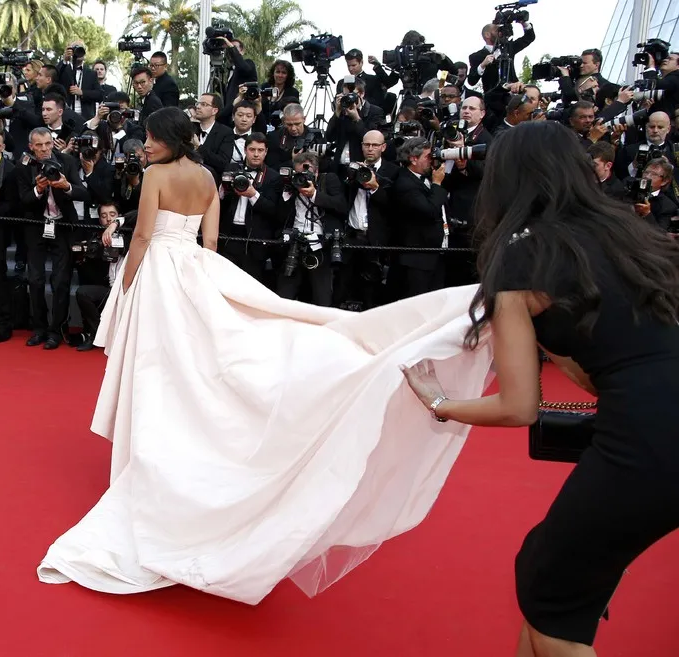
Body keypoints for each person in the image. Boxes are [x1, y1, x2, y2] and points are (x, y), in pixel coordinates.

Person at [36, 107, 496, 605]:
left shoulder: (155, 175)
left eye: (149, 137)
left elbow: (143, 236)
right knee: (194, 362)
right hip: (195, 267)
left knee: (159, 366)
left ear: (168, 139)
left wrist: (126, 283)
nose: (144, 145)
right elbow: (210, 240)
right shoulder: (208, 175)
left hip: (159, 273)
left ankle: (149, 459)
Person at [402, 121, 679, 656]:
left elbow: (518, 405)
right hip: (649, 429)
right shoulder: (630, 234)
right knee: (549, 577)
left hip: (647, 443)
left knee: (553, 593)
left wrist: (439, 402)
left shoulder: (523, 255)